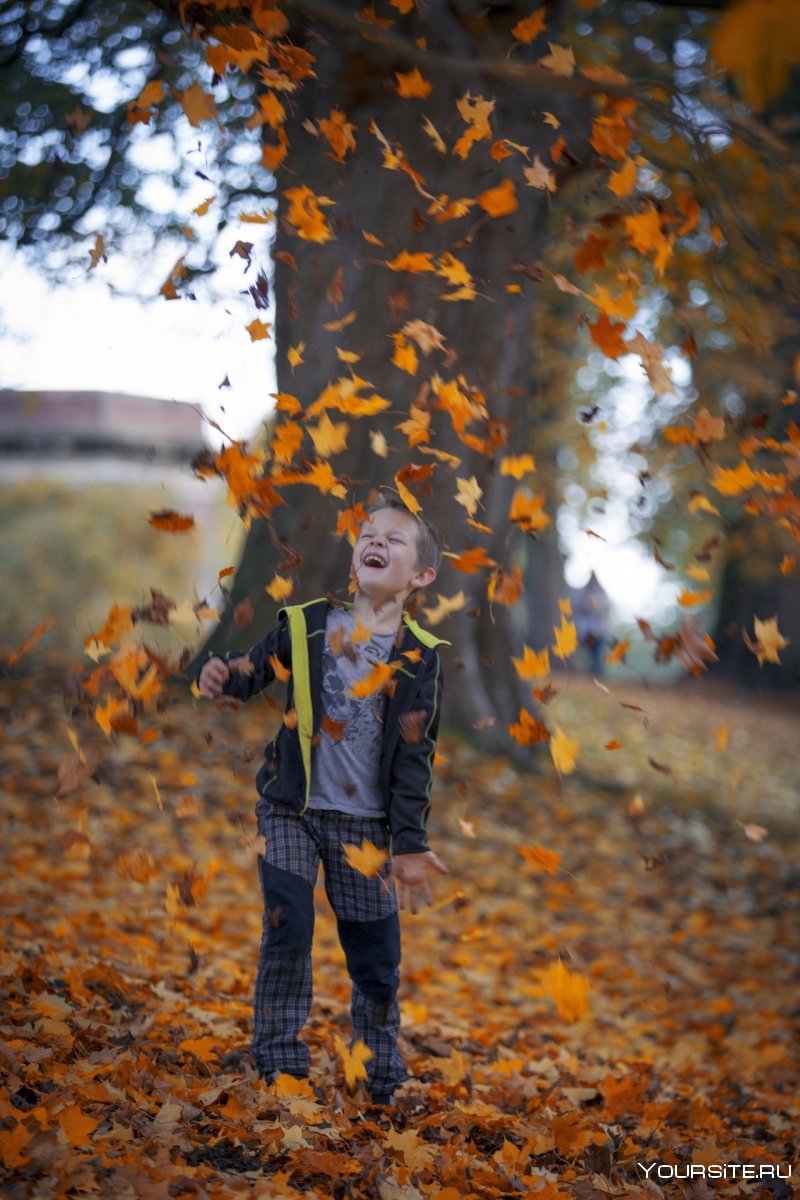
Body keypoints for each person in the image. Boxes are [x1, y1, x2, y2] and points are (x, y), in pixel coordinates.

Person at [197, 494, 449, 1106]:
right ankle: (280, 1064)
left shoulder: (420, 656)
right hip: (291, 811)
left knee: (376, 960)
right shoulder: (308, 623)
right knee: (288, 927)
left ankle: (379, 1076)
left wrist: (410, 845)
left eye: (394, 538)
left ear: (420, 576)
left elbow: (414, 757)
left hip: (366, 834)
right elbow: (252, 670)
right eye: (368, 532)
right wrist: (220, 673)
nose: (376, 541)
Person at [572, 570, 611, 676]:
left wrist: (597, 612)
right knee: (587, 653)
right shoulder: (583, 594)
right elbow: (577, 608)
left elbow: (606, 610)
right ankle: (587, 672)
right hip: (586, 629)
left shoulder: (602, 594)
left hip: (599, 630)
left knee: (597, 653)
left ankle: (597, 673)